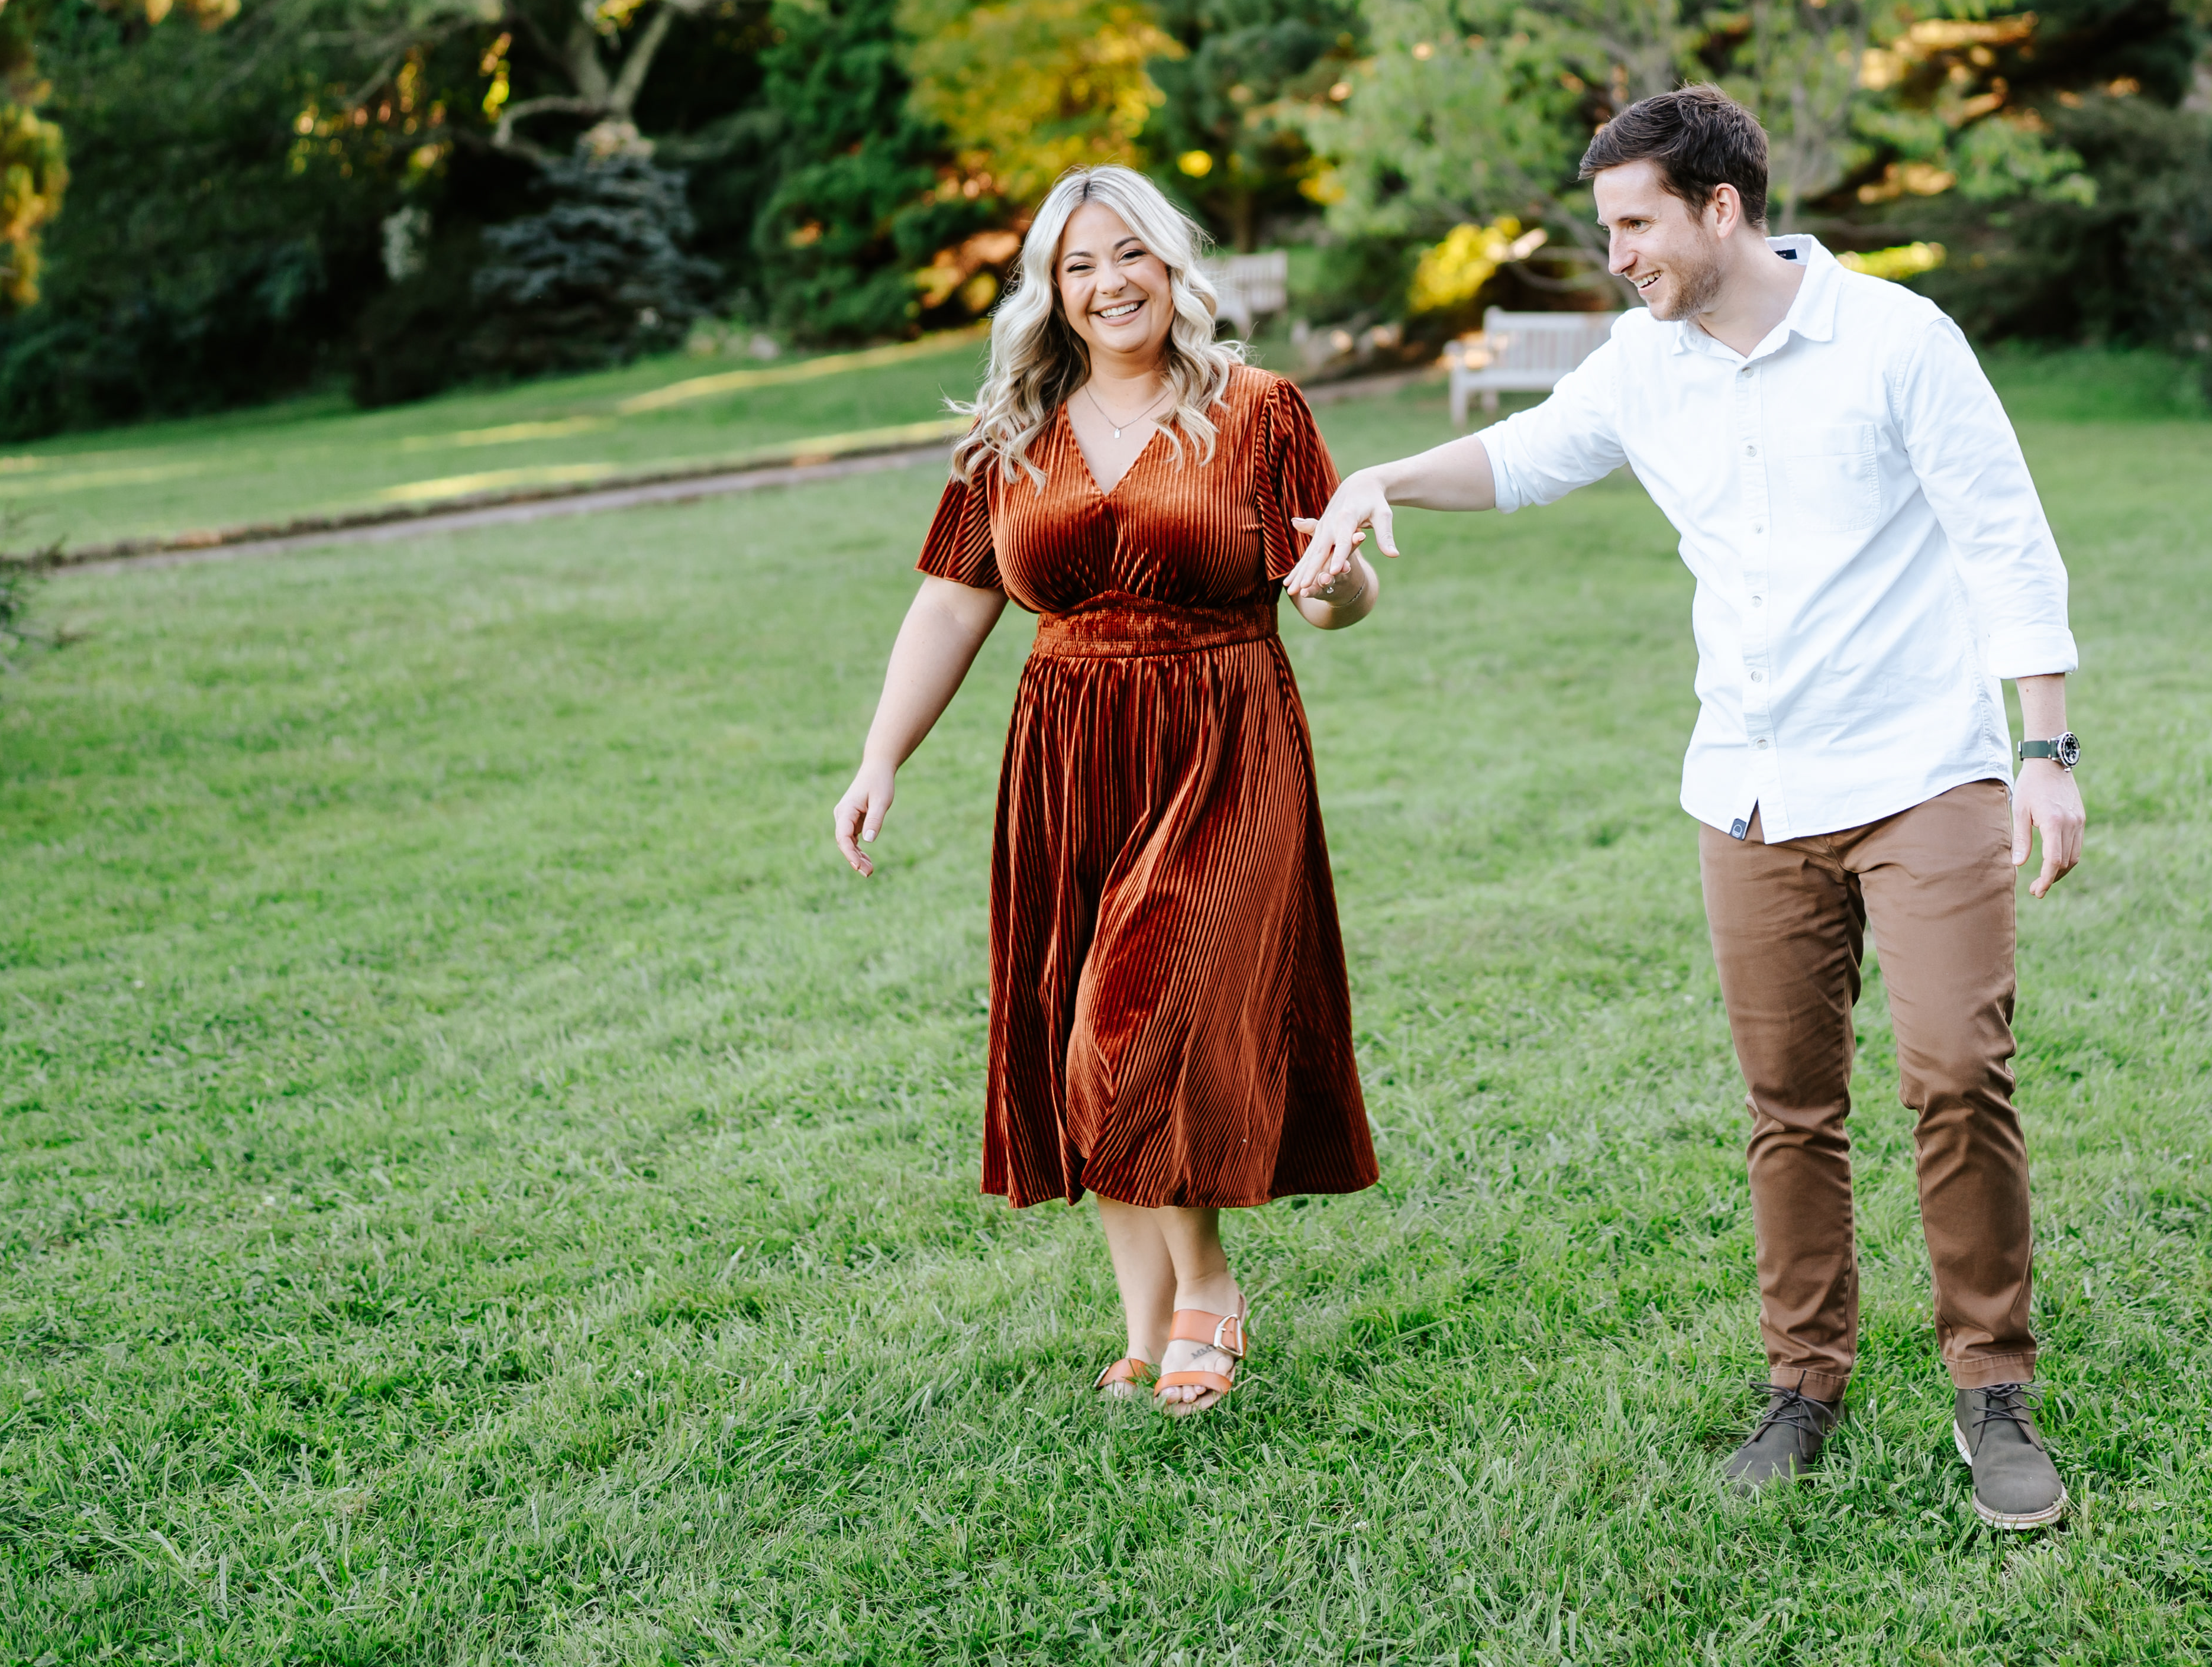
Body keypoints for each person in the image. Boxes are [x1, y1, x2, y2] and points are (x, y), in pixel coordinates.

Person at [1285, 86, 2085, 1529]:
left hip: (1923, 769)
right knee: (1790, 1107)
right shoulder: (1641, 361)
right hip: (1749, 787)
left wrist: (2050, 749)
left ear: (1723, 208)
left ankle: (1993, 1387)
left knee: (1956, 1069)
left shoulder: (1902, 340)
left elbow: (2004, 539)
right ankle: (1804, 1383)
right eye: (1607, 229)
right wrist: (1376, 477)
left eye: (1636, 223)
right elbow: (1525, 455)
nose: (1619, 256)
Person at [832, 164, 1384, 1416]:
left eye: (1128, 253)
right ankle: (1146, 1321)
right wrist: (880, 756)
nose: (1108, 283)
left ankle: (1210, 1294)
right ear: (1052, 290)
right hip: (1066, 746)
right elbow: (953, 598)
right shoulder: (1011, 433)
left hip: (1222, 738)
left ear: (1172, 263)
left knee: (1129, 1020)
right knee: (1072, 1019)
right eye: (1078, 265)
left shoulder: (1259, 409)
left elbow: (1339, 582)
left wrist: (1331, 588)